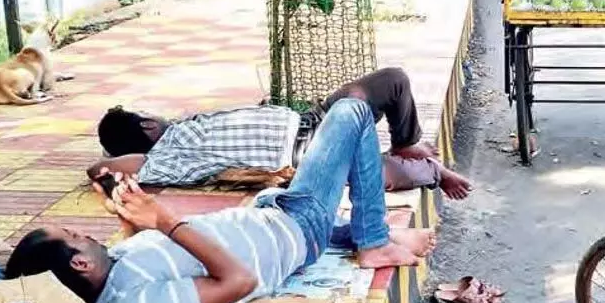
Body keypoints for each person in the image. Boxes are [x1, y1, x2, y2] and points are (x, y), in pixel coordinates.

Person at [5, 98, 426, 303]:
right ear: (80, 264)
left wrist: (131, 218)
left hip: (269, 214)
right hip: (296, 229)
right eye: (74, 235)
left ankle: (369, 234)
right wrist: (165, 220)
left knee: (341, 161)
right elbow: (237, 282)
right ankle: (373, 243)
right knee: (351, 112)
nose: (83, 232)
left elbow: (156, 255)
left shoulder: (113, 271)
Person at [88, 67, 472, 202]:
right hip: (305, 156)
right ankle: (433, 173)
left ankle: (406, 142)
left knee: (393, 80)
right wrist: (104, 165)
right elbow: (114, 166)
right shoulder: (168, 154)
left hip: (311, 118)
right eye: (150, 115)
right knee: (374, 172)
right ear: (147, 126)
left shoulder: (190, 125)